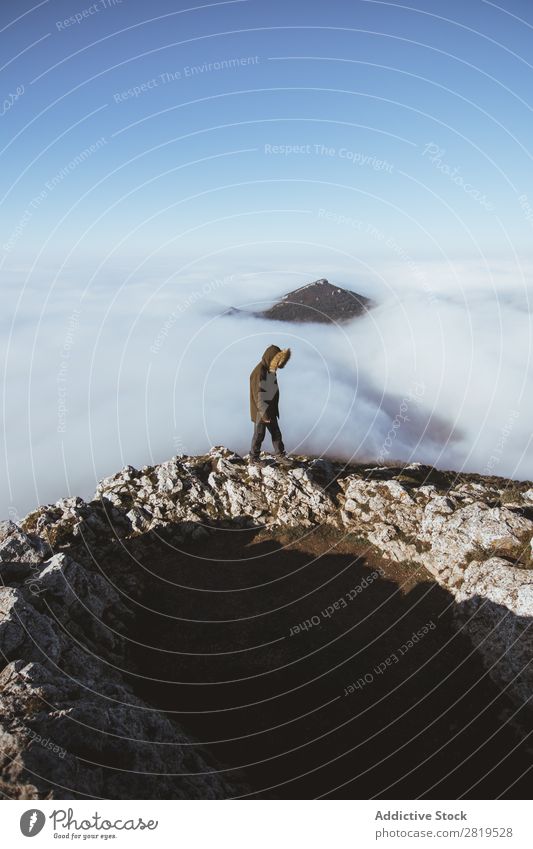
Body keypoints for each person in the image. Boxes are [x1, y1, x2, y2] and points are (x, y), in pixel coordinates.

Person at [249, 344, 291, 465]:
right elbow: (259, 395)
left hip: (269, 409)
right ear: (270, 358)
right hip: (260, 411)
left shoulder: (269, 370)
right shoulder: (259, 372)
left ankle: (280, 454)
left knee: (276, 432)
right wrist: (265, 415)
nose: (278, 364)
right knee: (259, 434)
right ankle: (253, 458)